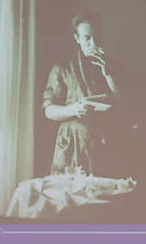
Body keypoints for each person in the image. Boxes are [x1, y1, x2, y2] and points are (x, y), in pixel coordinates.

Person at [42, 9, 123, 175]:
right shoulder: (62, 67)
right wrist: (74, 109)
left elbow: (123, 107)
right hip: (72, 146)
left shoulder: (112, 66)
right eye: (87, 38)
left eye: (97, 36)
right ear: (77, 38)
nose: (93, 43)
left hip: (103, 145)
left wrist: (109, 76)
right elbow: (48, 110)